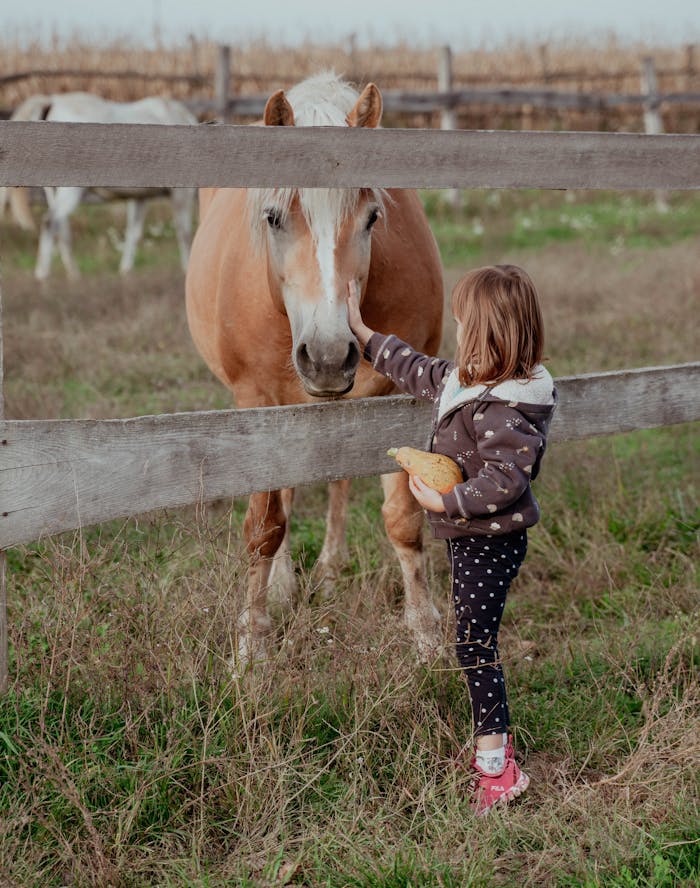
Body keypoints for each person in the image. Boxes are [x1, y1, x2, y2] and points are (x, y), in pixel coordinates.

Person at [346, 264, 556, 816]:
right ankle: (492, 753)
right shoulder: (471, 382)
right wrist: (365, 336)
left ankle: (497, 766)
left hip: (491, 541)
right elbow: (418, 369)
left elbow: (507, 482)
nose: (458, 334)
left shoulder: (511, 407)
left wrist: (445, 503)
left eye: (466, 326)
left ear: (492, 335)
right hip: (472, 541)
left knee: (473, 646)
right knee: (471, 642)